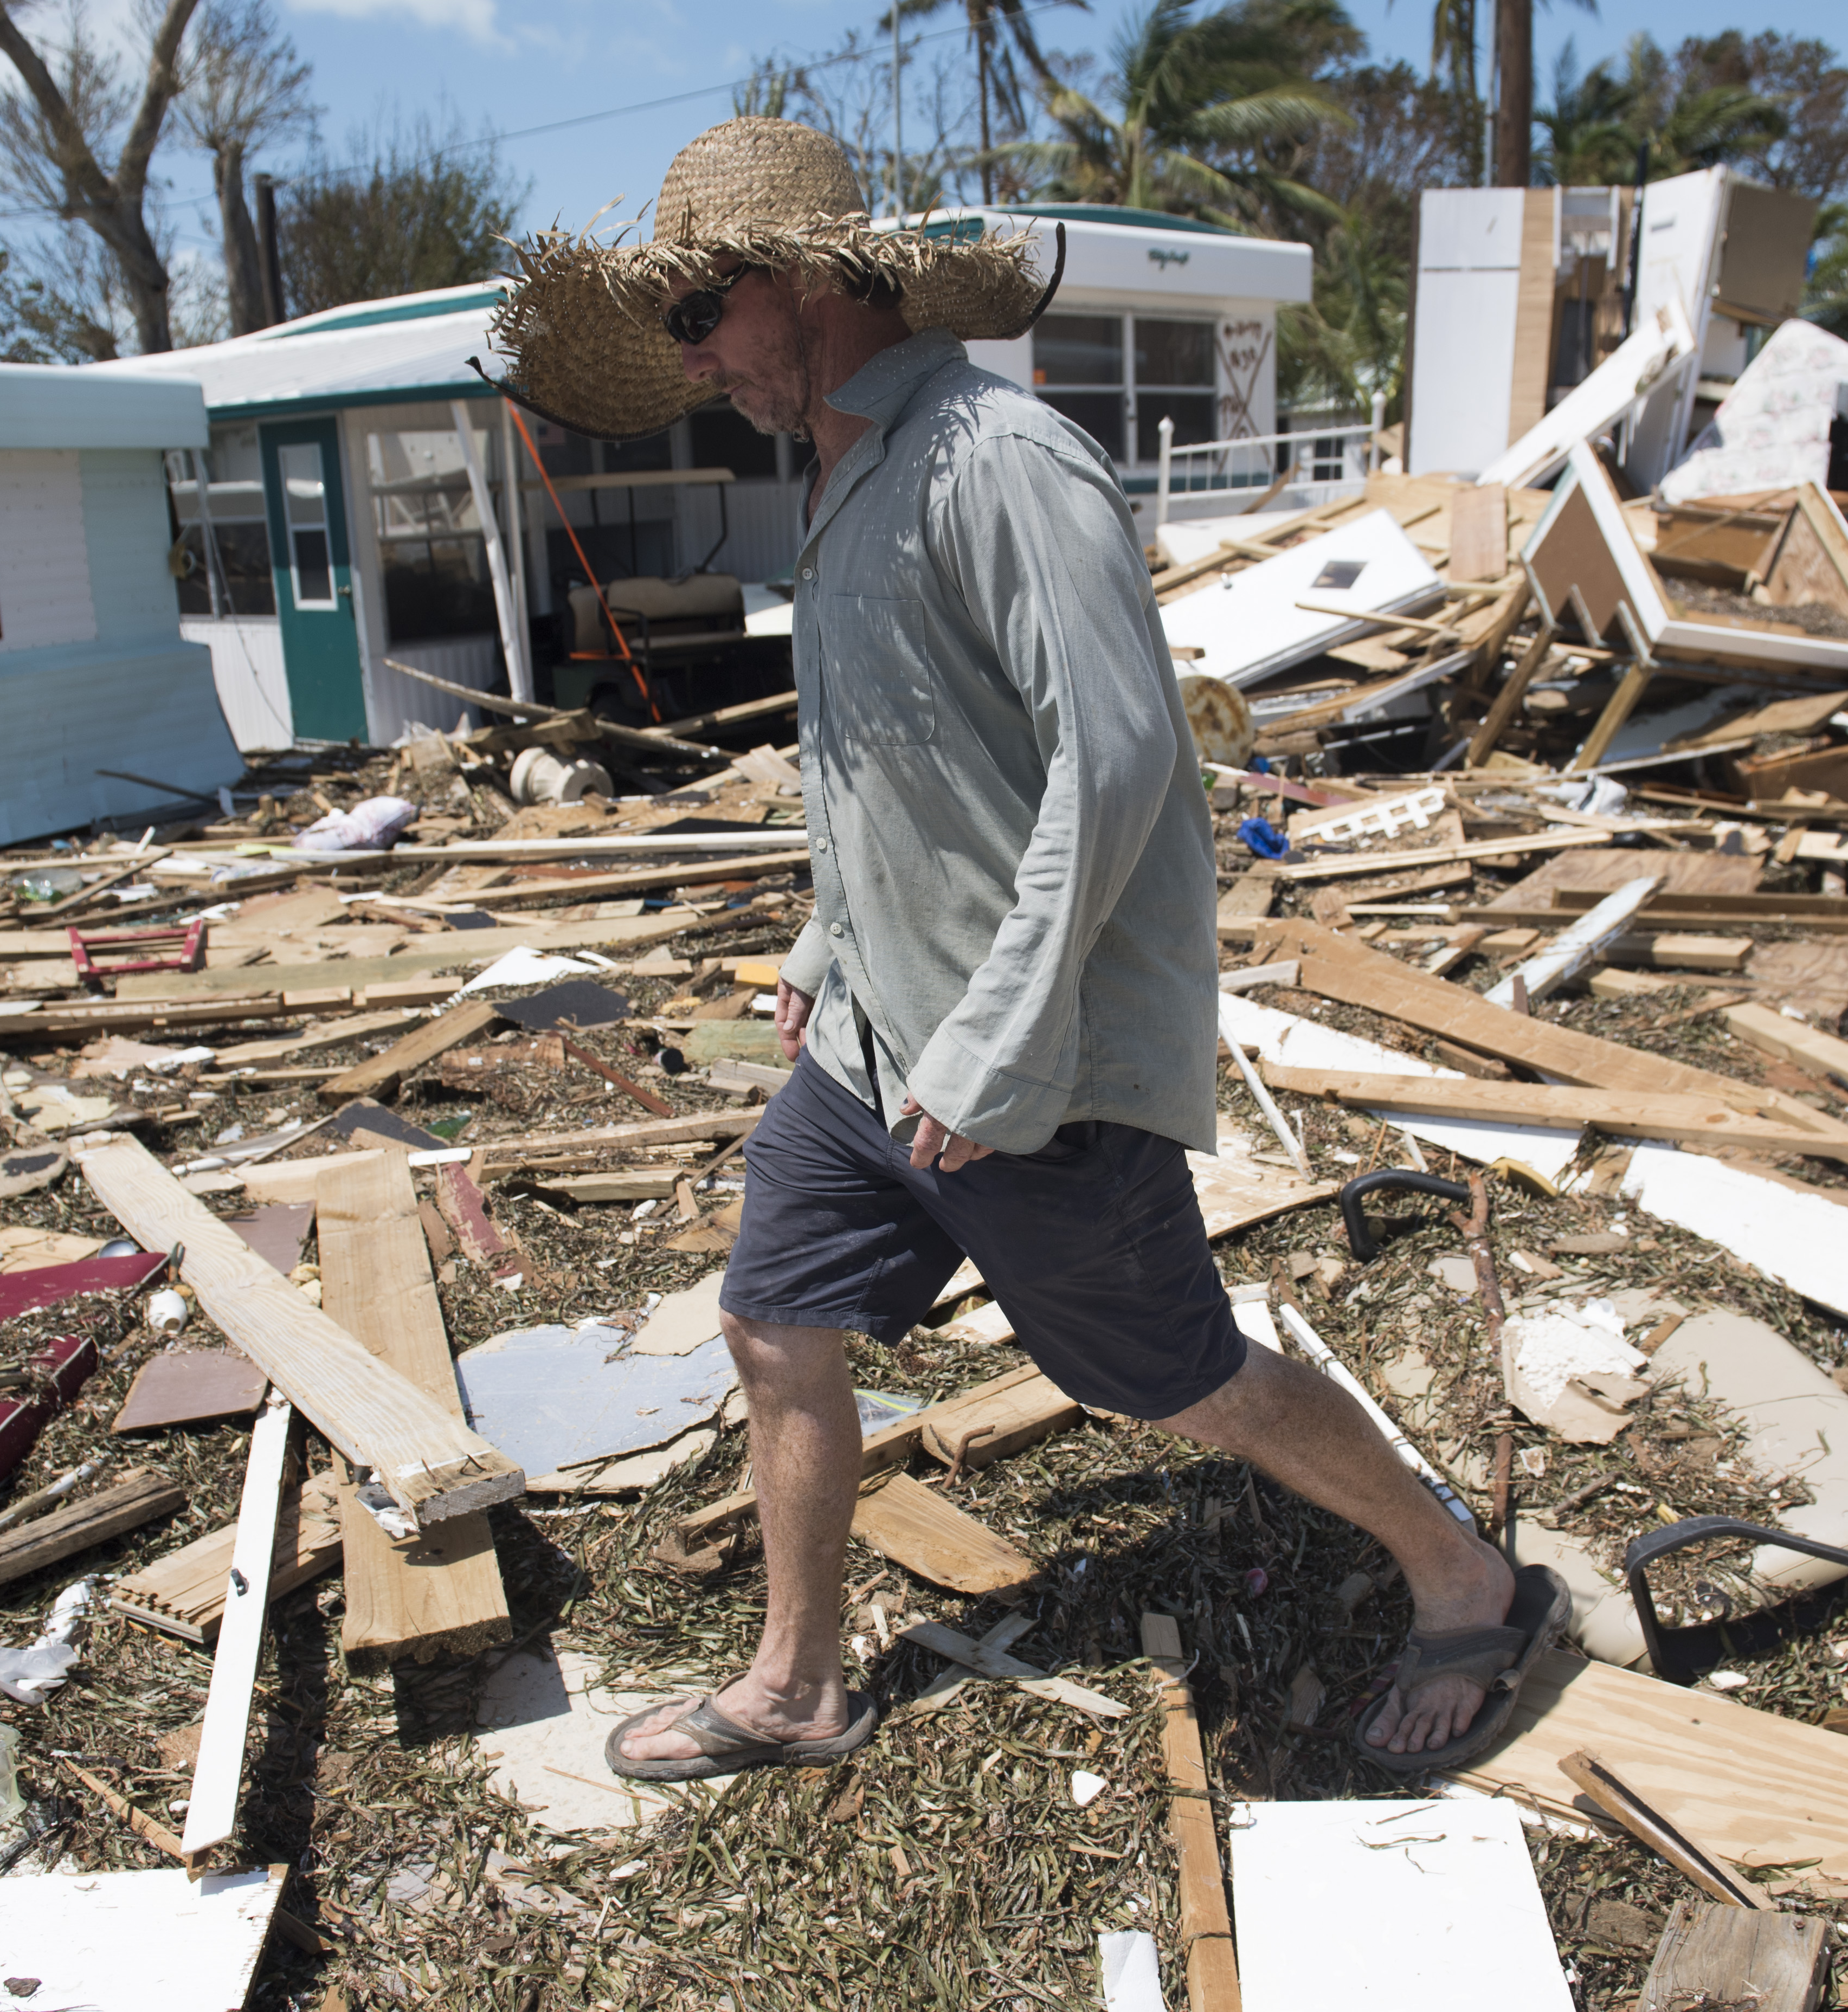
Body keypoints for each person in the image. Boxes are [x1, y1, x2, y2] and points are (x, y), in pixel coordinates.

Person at [487, 117, 1566, 1784]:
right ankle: (792, 1685)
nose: (694, 360)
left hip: (1021, 1064)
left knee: (1183, 1381)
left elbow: (1119, 758)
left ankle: (1464, 1579)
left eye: (703, 311)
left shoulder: (1001, 458)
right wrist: (825, 935)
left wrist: (996, 1047)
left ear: (803, 282)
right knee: (776, 1320)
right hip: (874, 1048)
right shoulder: (845, 475)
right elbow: (896, 763)